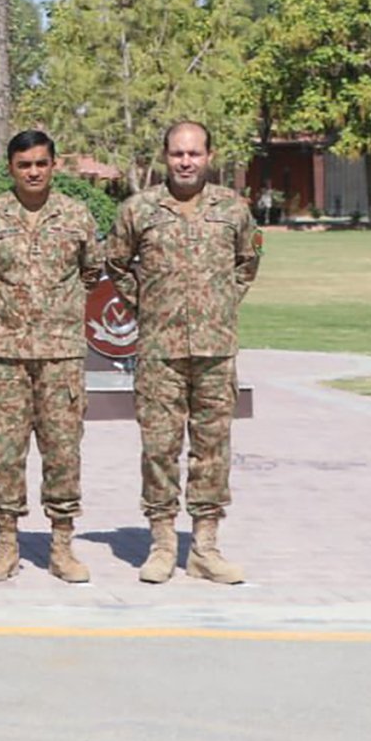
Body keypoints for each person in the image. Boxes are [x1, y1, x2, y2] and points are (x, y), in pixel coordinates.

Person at [105, 121, 260, 584]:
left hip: (215, 349)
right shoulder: (139, 210)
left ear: (209, 156)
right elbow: (116, 263)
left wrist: (221, 302)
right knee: (159, 448)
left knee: (212, 449)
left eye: (194, 154)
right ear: (165, 157)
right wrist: (148, 304)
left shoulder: (233, 210)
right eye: (177, 154)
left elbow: (247, 262)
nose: (186, 162)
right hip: (160, 351)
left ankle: (205, 548)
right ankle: (162, 544)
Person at [0, 129, 102, 583]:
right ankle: (6, 542)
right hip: (4, 355)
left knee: (63, 452)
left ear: (54, 165)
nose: (34, 172)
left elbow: (91, 273)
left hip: (61, 354)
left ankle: (62, 544)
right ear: (11, 168)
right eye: (24, 165)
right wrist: (9, 317)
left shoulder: (77, 216)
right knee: (3, 453)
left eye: (41, 163)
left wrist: (54, 314)